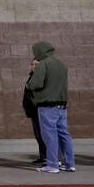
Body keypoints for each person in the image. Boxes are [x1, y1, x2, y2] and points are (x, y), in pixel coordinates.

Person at [30, 41, 75, 173]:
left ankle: (53, 164)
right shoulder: (61, 64)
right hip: (62, 106)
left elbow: (36, 84)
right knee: (64, 134)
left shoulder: (43, 64)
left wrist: (29, 85)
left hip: (47, 106)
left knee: (50, 136)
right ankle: (69, 164)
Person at [23, 57, 47, 166]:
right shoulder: (31, 76)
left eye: (36, 64)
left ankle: (50, 158)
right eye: (32, 64)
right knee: (38, 135)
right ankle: (43, 157)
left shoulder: (41, 77)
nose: (33, 66)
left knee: (44, 135)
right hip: (33, 111)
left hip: (40, 110)